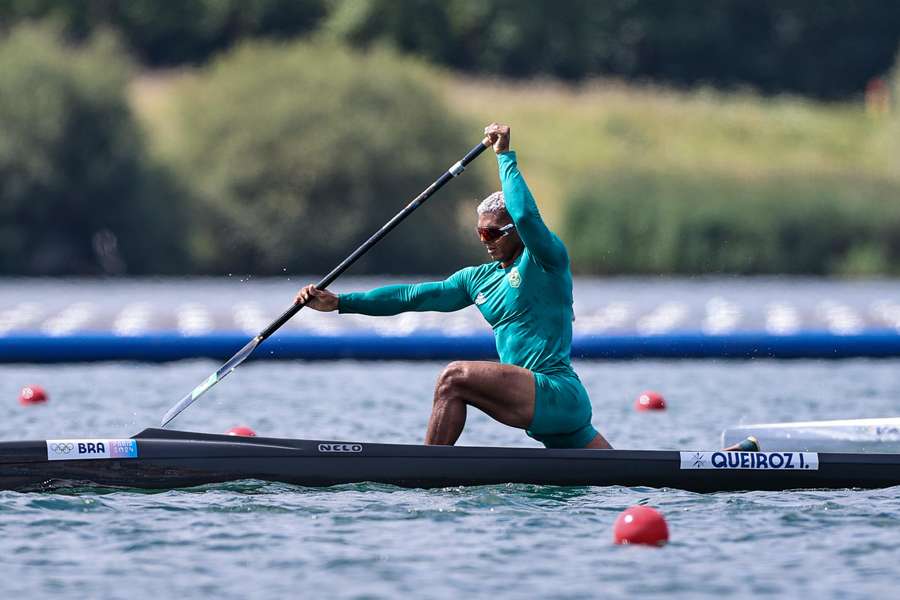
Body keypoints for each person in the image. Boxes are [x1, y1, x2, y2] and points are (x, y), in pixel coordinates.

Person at [296, 123, 612, 449]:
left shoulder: (545, 260)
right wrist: (341, 303)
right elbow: (412, 297)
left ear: (515, 230)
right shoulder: (477, 279)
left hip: (555, 392)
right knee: (623, 479)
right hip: (546, 413)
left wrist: (504, 156)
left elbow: (527, 216)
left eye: (492, 233)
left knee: (453, 378)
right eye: (480, 233)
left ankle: (425, 470)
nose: (484, 241)